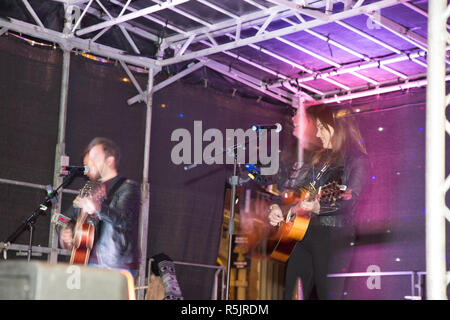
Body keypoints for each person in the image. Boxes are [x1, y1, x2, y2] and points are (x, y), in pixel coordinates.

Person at [268, 105, 370, 300]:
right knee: (292, 294)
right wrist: (277, 207)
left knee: (328, 295)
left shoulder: (357, 159)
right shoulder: (317, 157)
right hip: (302, 233)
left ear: (339, 128)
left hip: (334, 237)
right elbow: (295, 191)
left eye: (323, 127)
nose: (319, 132)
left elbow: (350, 198)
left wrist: (319, 206)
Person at [59, 137, 141, 279]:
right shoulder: (88, 189)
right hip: (85, 261)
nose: (89, 163)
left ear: (110, 161)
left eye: (94, 158)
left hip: (115, 264)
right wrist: (66, 230)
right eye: (88, 160)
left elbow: (125, 220)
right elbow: (63, 217)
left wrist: (98, 208)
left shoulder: (128, 187)